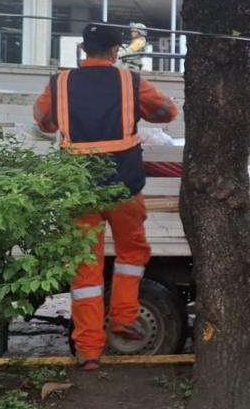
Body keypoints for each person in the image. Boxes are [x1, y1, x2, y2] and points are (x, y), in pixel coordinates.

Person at [32, 23, 179, 371]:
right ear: (115, 51)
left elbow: (43, 122)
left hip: (79, 188)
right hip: (124, 187)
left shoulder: (61, 83)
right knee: (131, 253)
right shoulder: (131, 82)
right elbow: (166, 113)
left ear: (84, 48)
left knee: (85, 268)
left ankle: (89, 351)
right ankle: (126, 318)